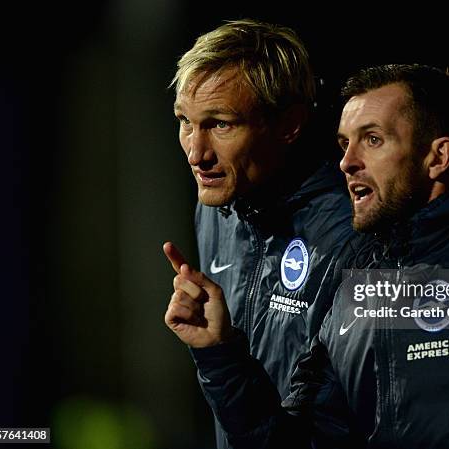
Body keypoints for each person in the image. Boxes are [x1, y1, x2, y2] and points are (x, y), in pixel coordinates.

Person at [169, 64, 449, 448]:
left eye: (373, 140)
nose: (347, 163)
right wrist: (221, 353)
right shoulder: (362, 291)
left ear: (437, 157)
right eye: (343, 143)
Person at [162, 19, 356, 449]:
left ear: (289, 124)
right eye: (185, 121)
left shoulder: (351, 235)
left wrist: (219, 357)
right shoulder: (217, 207)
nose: (197, 152)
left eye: (221, 124)